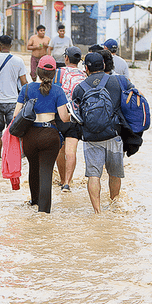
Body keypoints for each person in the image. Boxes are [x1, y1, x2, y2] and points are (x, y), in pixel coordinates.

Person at [14, 55, 69, 213]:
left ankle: (34, 201)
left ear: (37, 71)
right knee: (46, 171)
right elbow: (64, 118)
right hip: (50, 136)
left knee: (33, 167)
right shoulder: (58, 91)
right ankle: (43, 212)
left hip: (30, 135)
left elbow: (15, 114)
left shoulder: (26, 89)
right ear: (54, 74)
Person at [71, 52, 124, 213]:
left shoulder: (79, 88)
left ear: (86, 68)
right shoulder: (116, 82)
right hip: (114, 134)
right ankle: (114, 206)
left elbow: (75, 115)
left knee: (94, 175)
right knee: (114, 173)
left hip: (91, 138)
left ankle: (97, 211)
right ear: (104, 65)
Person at [0, 35, 28, 158]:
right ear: (11, 46)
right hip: (13, 102)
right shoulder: (18, 61)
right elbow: (24, 82)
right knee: (13, 130)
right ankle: (12, 156)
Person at [54, 46, 86, 192]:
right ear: (79, 61)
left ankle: (61, 180)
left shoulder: (58, 72)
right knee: (71, 151)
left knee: (60, 150)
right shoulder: (85, 74)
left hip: (61, 115)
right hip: (77, 117)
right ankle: (68, 182)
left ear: (66, 58)